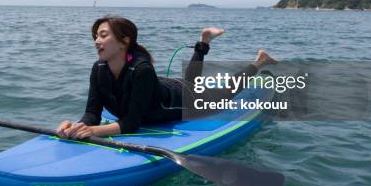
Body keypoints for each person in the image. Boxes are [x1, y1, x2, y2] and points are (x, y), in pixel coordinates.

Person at [56, 16, 277, 139]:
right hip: (166, 87)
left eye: (103, 35)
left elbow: (132, 124)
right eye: (95, 36)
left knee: (226, 93)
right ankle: (204, 42)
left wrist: (93, 131)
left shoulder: (142, 69)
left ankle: (260, 61)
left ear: (124, 41)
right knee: (192, 81)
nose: (96, 40)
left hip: (184, 100)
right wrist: (77, 126)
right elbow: (92, 113)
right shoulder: (98, 69)